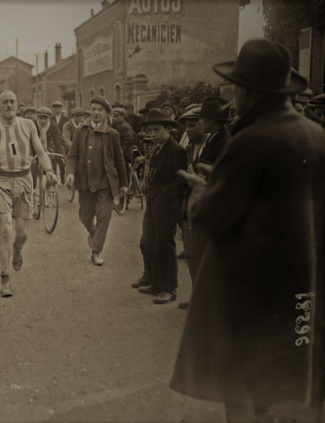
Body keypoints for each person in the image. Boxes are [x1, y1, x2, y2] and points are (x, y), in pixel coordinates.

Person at [171, 38, 325, 423]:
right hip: (301, 290)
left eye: (235, 87)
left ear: (247, 91)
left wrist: (200, 192)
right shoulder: (315, 136)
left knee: (241, 385)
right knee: (284, 386)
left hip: (251, 292)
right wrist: (222, 179)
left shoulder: (252, 139)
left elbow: (212, 219)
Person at [0, 90, 56, 297]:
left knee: (22, 233)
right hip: (1, 180)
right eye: (4, 102)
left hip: (24, 180)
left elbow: (40, 151)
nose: (9, 105)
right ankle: (5, 277)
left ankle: (17, 249)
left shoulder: (28, 125)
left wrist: (49, 170)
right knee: (5, 228)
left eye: (12, 102)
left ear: (17, 104)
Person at [66, 96, 128, 266]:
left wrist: (123, 184)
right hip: (85, 184)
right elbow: (72, 155)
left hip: (105, 184)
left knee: (103, 217)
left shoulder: (112, 134)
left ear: (106, 113)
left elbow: (119, 160)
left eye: (100, 110)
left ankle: (96, 251)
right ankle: (92, 232)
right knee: (85, 217)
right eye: (93, 109)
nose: (96, 113)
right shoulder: (80, 131)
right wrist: (70, 173)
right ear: (89, 110)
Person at [133, 108, 187, 304]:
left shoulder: (177, 151)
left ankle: (169, 288)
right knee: (151, 243)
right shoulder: (155, 148)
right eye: (150, 130)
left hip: (166, 202)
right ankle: (156, 284)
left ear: (168, 129)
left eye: (156, 130)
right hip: (153, 200)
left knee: (165, 244)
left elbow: (180, 183)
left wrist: (162, 197)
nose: (152, 134)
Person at [175, 108, 209, 310]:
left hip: (205, 205)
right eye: (185, 126)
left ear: (203, 124)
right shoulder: (189, 146)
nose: (187, 130)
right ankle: (198, 296)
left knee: (205, 255)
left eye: (191, 125)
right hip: (189, 204)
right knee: (192, 253)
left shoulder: (212, 145)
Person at [35, 107, 66, 189]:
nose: (42, 121)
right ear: (37, 117)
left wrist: (62, 154)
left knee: (52, 159)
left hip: (47, 147)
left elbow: (59, 140)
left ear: (49, 118)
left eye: (45, 118)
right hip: (33, 148)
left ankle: (51, 181)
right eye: (40, 118)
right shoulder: (33, 124)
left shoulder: (53, 126)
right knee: (32, 169)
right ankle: (33, 189)